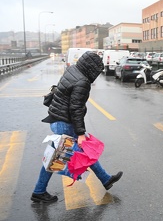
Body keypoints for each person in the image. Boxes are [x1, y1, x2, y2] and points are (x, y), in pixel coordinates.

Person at [31, 51, 123, 203]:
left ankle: (105, 179)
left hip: (57, 118)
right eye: (97, 71)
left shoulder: (73, 69)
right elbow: (76, 108)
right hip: (64, 123)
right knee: (69, 156)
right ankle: (39, 191)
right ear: (91, 68)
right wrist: (80, 133)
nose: (97, 75)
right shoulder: (82, 82)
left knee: (60, 156)